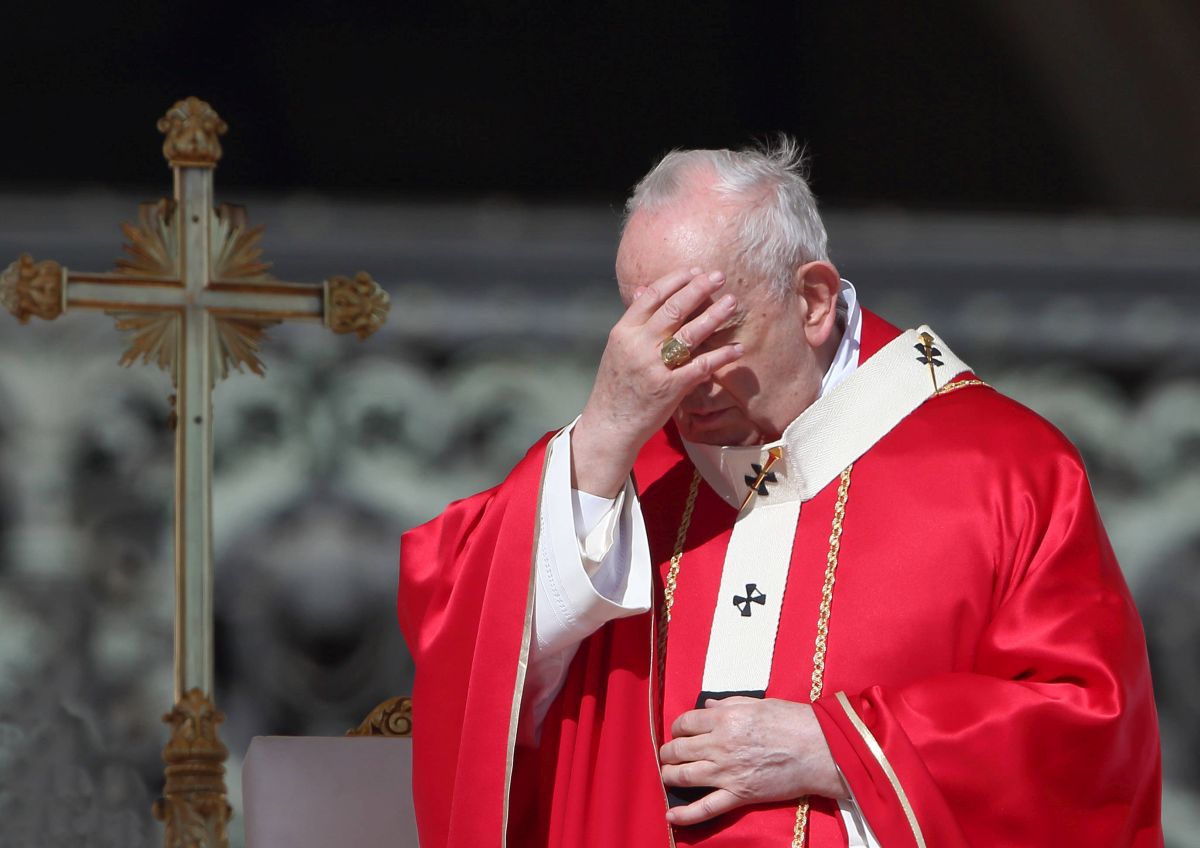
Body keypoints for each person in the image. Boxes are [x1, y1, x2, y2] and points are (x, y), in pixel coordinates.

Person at [397, 141, 1163, 847]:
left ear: (812, 302)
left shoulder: (1005, 470)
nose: (679, 381)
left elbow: (1089, 736)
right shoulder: (611, 465)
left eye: (707, 333)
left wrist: (843, 749)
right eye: (650, 328)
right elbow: (470, 641)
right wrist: (601, 435)